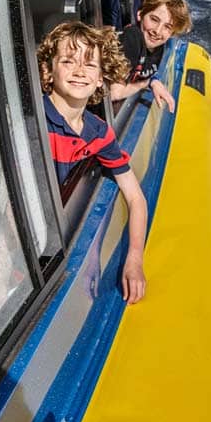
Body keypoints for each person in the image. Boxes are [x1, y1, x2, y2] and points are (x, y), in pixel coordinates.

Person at [37, 21, 146, 304]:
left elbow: (135, 197)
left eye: (90, 65)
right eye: (68, 61)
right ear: (48, 71)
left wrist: (134, 258)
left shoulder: (97, 132)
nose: (79, 72)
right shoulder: (35, 127)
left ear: (100, 78)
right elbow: (10, 209)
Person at [109, 0, 193, 108]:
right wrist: (146, 83)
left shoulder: (157, 47)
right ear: (140, 14)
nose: (157, 31)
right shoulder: (132, 37)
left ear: (172, 33)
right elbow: (115, 93)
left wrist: (153, 81)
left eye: (167, 27)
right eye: (154, 19)